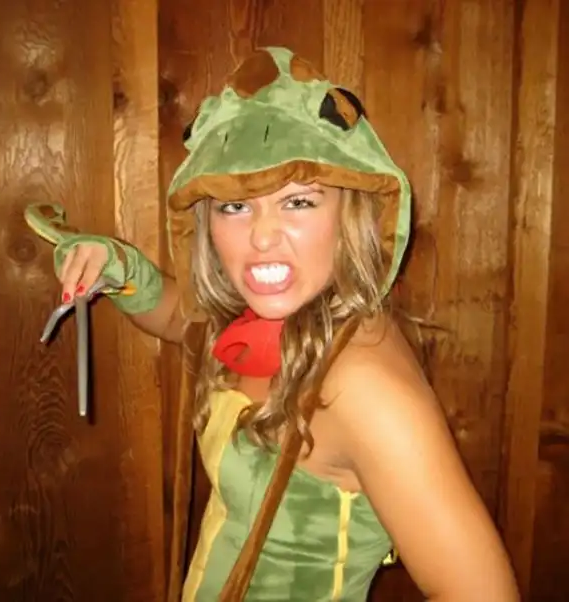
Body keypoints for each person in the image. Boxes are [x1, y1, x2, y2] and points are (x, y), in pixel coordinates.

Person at [28, 47, 520, 601]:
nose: (262, 236)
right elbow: (181, 319)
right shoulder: (275, 317)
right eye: (235, 207)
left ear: (351, 211)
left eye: (299, 202)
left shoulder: (365, 387)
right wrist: (118, 268)